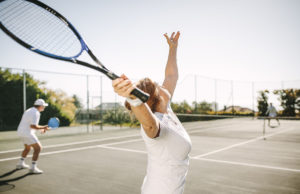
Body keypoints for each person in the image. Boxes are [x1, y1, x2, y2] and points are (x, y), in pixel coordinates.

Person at [112, 31, 192, 194]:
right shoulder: (155, 122)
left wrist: (173, 48)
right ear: (155, 98)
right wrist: (134, 99)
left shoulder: (166, 109)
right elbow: (149, 126)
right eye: (159, 86)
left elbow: (171, 76)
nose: (164, 85)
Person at [16, 99, 49, 174]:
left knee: (27, 148)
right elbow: (33, 126)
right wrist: (43, 127)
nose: (44, 107)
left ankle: (20, 163)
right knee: (38, 148)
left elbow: (29, 125)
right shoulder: (36, 113)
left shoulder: (29, 110)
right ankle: (33, 168)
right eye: (43, 106)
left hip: (20, 132)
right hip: (27, 133)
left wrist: (42, 128)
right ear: (40, 106)